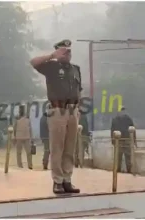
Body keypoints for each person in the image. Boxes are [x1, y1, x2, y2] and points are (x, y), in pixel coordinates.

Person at [30, 39, 82, 194]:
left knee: (70, 147)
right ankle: (57, 181)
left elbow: (79, 89)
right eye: (64, 51)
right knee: (57, 147)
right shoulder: (51, 67)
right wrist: (52, 56)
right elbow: (33, 62)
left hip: (72, 110)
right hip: (57, 110)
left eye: (69, 51)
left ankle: (67, 179)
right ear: (58, 51)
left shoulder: (76, 69)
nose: (67, 53)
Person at [111, 106, 136, 173]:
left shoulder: (125, 119)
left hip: (123, 140)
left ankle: (124, 170)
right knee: (122, 157)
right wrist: (113, 141)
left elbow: (133, 130)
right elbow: (112, 131)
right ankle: (123, 170)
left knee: (123, 156)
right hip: (122, 140)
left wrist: (113, 140)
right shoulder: (118, 119)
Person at [13, 105, 33, 170]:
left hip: (21, 137)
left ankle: (21, 165)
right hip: (25, 137)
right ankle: (28, 165)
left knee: (21, 152)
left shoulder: (18, 119)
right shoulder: (26, 118)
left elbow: (14, 129)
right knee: (28, 152)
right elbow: (30, 129)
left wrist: (14, 137)